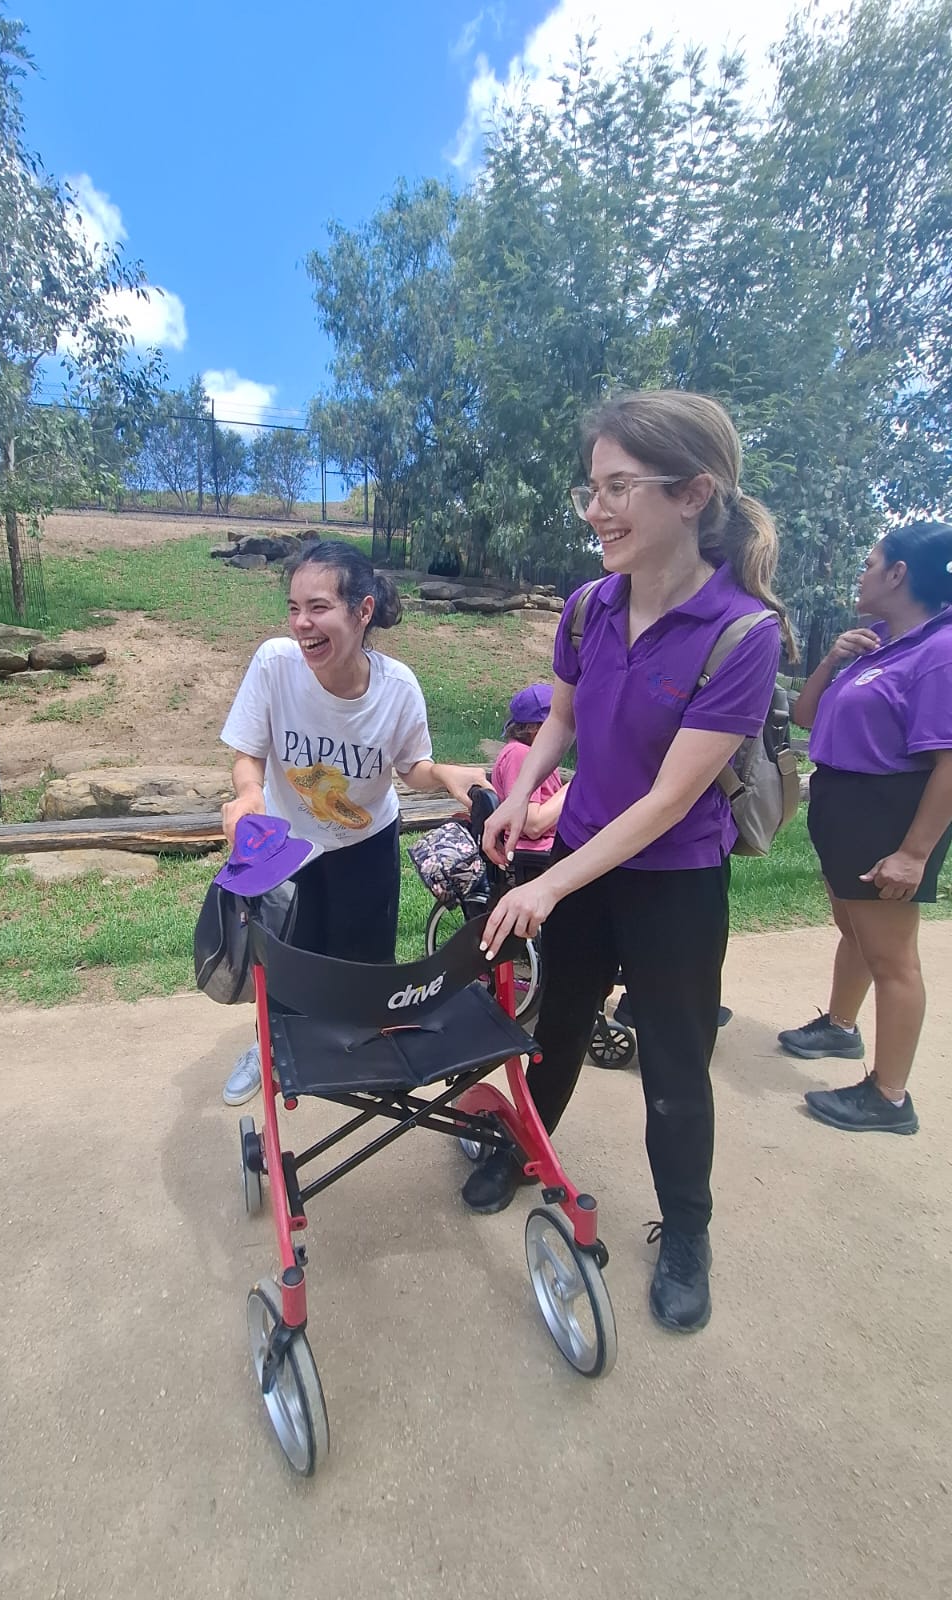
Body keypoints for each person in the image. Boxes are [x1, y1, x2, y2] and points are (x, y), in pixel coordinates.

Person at [477, 389, 794, 1336]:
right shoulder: (588, 607)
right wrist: (517, 794)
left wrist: (548, 880)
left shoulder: (744, 633)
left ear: (694, 493)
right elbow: (562, 722)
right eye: (592, 488)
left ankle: (687, 1234)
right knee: (553, 1031)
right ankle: (529, 1149)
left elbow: (668, 802)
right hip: (579, 858)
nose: (596, 510)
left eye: (619, 488)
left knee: (673, 1065)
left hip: (675, 885)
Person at [218, 538, 489, 1106]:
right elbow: (249, 752)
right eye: (294, 608)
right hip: (286, 844)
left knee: (365, 967)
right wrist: (247, 796)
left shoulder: (397, 689)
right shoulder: (274, 665)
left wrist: (445, 775)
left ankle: (362, 1050)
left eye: (318, 608)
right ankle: (270, 1047)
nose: (301, 624)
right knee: (285, 961)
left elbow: (410, 767)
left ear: (362, 611)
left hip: (366, 844)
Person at [778, 521, 952, 1134]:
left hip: (890, 810)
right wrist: (831, 658)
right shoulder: (878, 641)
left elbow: (950, 761)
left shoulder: (940, 650)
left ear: (899, 574)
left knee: (893, 957)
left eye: (871, 561)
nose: (862, 571)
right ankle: (841, 1029)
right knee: (851, 926)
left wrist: (913, 852)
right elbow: (804, 715)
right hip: (844, 800)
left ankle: (890, 1097)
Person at [489, 683, 569, 880]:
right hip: (538, 855)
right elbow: (532, 824)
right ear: (536, 728)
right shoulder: (520, 754)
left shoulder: (530, 754)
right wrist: (572, 789)